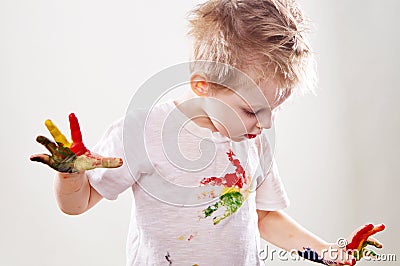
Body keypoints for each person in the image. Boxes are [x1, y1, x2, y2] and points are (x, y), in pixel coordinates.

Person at [30, 0, 385, 265]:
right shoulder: (142, 131)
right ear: (203, 85)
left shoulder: (252, 139)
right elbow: (77, 204)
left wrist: (329, 253)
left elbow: (265, 217)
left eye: (273, 111)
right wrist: (69, 176)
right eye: (252, 110)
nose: (266, 125)